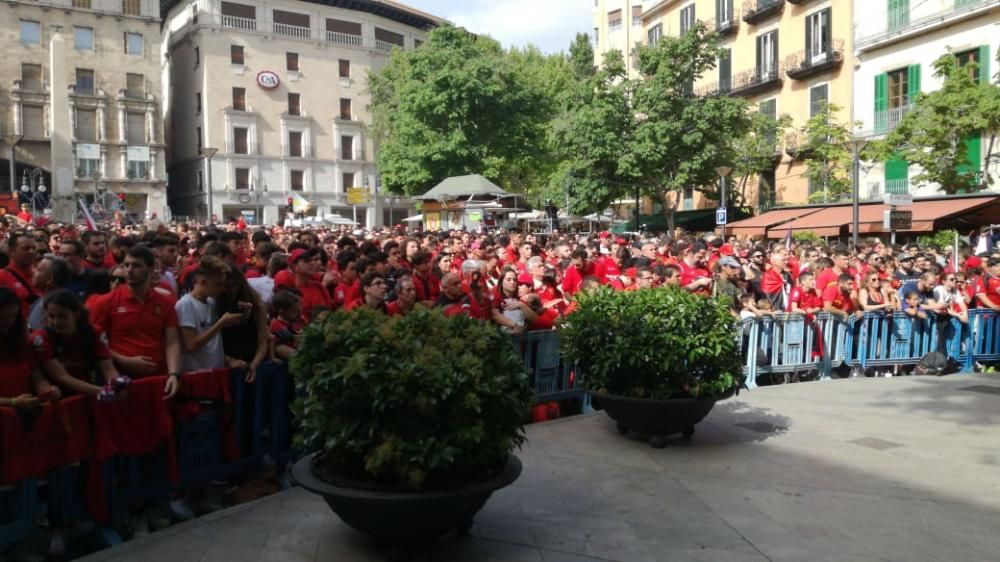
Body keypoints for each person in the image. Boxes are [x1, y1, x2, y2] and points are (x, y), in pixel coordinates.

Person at [87, 245, 182, 398]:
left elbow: (172, 342)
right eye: (126, 265)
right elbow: (95, 343)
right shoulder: (105, 302)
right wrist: (125, 361)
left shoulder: (166, 302)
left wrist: (174, 374)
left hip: (158, 381)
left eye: (136, 266)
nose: (129, 270)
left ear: (151, 270)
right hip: (122, 384)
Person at [33, 289, 125, 400]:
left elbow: (108, 368)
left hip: (90, 392)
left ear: (76, 313)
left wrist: (117, 386)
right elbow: (62, 377)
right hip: (61, 398)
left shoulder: (94, 333)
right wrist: (102, 391)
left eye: (62, 316)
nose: (56, 322)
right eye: (52, 316)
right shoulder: (41, 339)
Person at [174, 256, 245, 372]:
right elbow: (191, 345)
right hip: (197, 375)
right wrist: (220, 324)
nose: (222, 289)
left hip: (216, 371)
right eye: (218, 284)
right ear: (203, 282)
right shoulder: (185, 304)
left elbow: (211, 342)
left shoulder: (211, 302)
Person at [0, 287, 57, 410]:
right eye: (3, 317)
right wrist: (12, 402)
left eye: (13, 316)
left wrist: (46, 390)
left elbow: (34, 374)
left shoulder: (19, 342)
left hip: (22, 418)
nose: (9, 322)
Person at [217, 263, 268, 381]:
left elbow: (262, 341)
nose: (230, 290)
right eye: (226, 286)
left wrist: (255, 364)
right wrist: (229, 360)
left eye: (233, 286)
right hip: (225, 364)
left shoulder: (257, 305)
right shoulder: (215, 304)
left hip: (250, 359)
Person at [0, 230, 40, 317]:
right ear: (11, 251)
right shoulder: (2, 276)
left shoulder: (40, 273)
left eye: (34, 248)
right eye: (26, 248)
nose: (31, 252)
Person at [28, 254, 72, 330]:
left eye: (38, 269)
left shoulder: (59, 311)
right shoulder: (39, 301)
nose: (33, 271)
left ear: (50, 279)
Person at [270, 290, 305, 360]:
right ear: (282, 312)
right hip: (282, 351)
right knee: (279, 348)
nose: (298, 312)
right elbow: (289, 337)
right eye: (294, 311)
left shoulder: (296, 321)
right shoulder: (276, 324)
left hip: (296, 348)